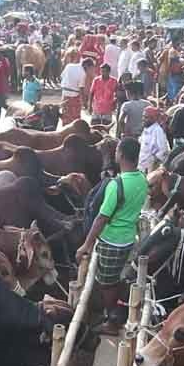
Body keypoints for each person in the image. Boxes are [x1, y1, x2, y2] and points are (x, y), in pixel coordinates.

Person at [75, 137, 147, 334]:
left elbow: (101, 217)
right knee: (117, 278)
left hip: (111, 240)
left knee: (107, 282)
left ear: (121, 155)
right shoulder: (142, 179)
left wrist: (86, 245)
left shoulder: (116, 185)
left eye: (116, 151)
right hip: (129, 238)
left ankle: (112, 321)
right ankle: (117, 313)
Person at [60, 56, 92, 125]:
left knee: (65, 115)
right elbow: (81, 89)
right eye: (90, 68)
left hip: (64, 94)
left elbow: (61, 76)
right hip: (74, 96)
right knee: (75, 117)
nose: (90, 70)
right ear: (86, 66)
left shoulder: (69, 65)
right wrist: (84, 103)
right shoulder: (83, 73)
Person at [137, 106, 169, 172]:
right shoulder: (146, 129)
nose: (143, 119)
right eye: (143, 116)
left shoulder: (158, 131)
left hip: (150, 169)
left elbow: (163, 151)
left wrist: (153, 164)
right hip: (141, 167)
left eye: (146, 117)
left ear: (153, 118)